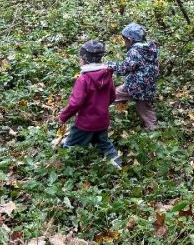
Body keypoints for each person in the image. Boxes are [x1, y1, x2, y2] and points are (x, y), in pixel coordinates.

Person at [58, 40, 121, 168]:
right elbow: (112, 96)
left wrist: (63, 117)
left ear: (84, 59)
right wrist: (101, 107)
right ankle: (117, 165)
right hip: (102, 120)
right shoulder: (107, 76)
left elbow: (75, 103)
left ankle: (67, 168)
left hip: (85, 124)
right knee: (104, 144)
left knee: (70, 145)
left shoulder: (84, 79)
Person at [109, 23, 159, 130]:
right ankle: (154, 130)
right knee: (145, 109)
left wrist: (110, 66)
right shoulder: (151, 48)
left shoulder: (135, 51)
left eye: (125, 40)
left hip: (135, 86)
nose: (124, 43)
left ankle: (98, 114)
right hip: (148, 86)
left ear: (130, 40)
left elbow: (125, 68)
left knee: (111, 96)